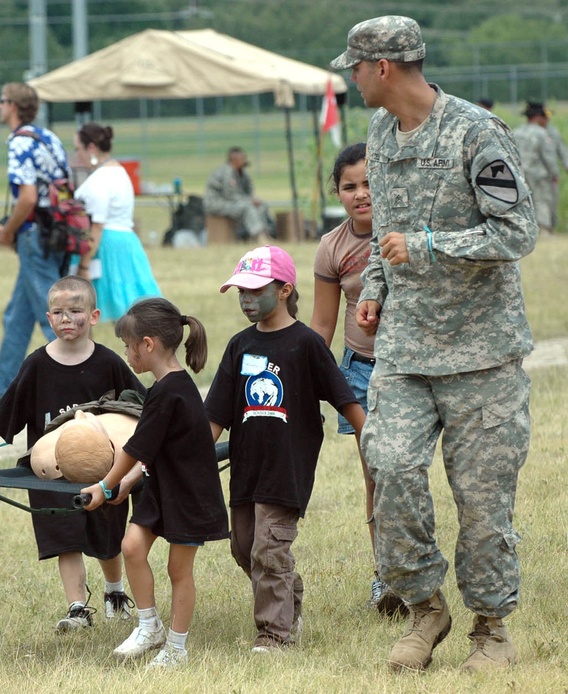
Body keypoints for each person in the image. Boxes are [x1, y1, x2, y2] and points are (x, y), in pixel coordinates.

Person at [331, 15, 536, 672]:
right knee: (388, 467)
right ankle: (425, 608)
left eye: (354, 69)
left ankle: (491, 629)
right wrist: (376, 284)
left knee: (481, 500)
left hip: (483, 355)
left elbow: (517, 234)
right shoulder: (382, 133)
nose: (351, 80)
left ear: (382, 69)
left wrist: (427, 247)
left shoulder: (477, 133)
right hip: (406, 350)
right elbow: (388, 225)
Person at [204, 245, 364, 654]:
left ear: (286, 289)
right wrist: (192, 454)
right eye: (241, 292)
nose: (246, 299)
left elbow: (344, 399)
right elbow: (217, 412)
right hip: (246, 465)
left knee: (268, 546)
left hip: (287, 466)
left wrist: (372, 441)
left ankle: (274, 634)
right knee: (243, 546)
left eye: (256, 291)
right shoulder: (239, 345)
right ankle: (288, 595)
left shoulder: (306, 344)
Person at [0, 276, 144, 632]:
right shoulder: (36, 365)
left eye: (76, 311)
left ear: (94, 316)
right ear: (48, 319)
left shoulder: (109, 363)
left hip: (103, 470)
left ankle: (114, 594)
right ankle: (77, 607)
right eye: (59, 312)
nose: (67, 319)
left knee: (107, 536)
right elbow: (9, 407)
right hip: (51, 473)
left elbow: (140, 406)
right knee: (65, 538)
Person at [81, 298, 228, 669]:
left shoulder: (170, 390)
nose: (127, 354)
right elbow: (153, 450)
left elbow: (135, 447)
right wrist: (129, 482)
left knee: (179, 570)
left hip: (189, 494)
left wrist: (106, 485)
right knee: (131, 546)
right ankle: (150, 626)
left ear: (148, 344)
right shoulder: (166, 387)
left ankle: (176, 649)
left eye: (129, 347)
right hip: (163, 487)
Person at [309, 143, 406, 618]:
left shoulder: (405, 232)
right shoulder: (332, 247)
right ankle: (385, 576)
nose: (361, 194)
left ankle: (417, 570)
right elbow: (321, 327)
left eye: (370, 182)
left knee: (407, 473)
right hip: (361, 372)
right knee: (377, 476)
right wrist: (305, 380)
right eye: (350, 186)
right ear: (337, 193)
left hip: (411, 369)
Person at [0, 82, 71, 401]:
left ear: (14, 107)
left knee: (56, 312)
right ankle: (1, 385)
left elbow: (28, 197)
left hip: (34, 234)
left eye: (2, 101)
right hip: (58, 232)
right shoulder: (49, 137)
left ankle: (76, 376)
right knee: (17, 314)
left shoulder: (19, 143)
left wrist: (8, 231)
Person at [72, 122, 161, 321]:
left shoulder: (101, 179)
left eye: (79, 149)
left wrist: (83, 267)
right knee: (133, 314)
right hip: (126, 243)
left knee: (106, 312)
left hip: (107, 248)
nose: (77, 155)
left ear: (92, 147)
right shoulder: (118, 171)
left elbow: (96, 227)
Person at [512, 102, 560, 236]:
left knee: (522, 201)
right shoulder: (542, 133)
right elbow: (548, 157)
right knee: (541, 200)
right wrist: (554, 174)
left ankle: (524, 230)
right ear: (538, 117)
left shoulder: (516, 131)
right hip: (538, 174)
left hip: (518, 173)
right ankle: (543, 230)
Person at [203, 146, 271, 240]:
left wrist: (253, 200)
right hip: (217, 203)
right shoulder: (227, 172)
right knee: (247, 207)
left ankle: (264, 233)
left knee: (261, 206)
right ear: (234, 160)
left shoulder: (241, 173)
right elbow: (230, 195)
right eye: (242, 158)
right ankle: (258, 235)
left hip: (230, 202)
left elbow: (248, 191)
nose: (245, 161)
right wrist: (250, 201)